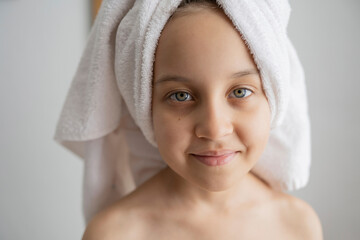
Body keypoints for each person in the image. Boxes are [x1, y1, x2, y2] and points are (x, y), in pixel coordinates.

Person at [80, 1, 323, 239]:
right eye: (181, 95)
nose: (215, 129)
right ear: (144, 107)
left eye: (240, 92)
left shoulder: (297, 225)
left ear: (274, 97)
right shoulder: (113, 233)